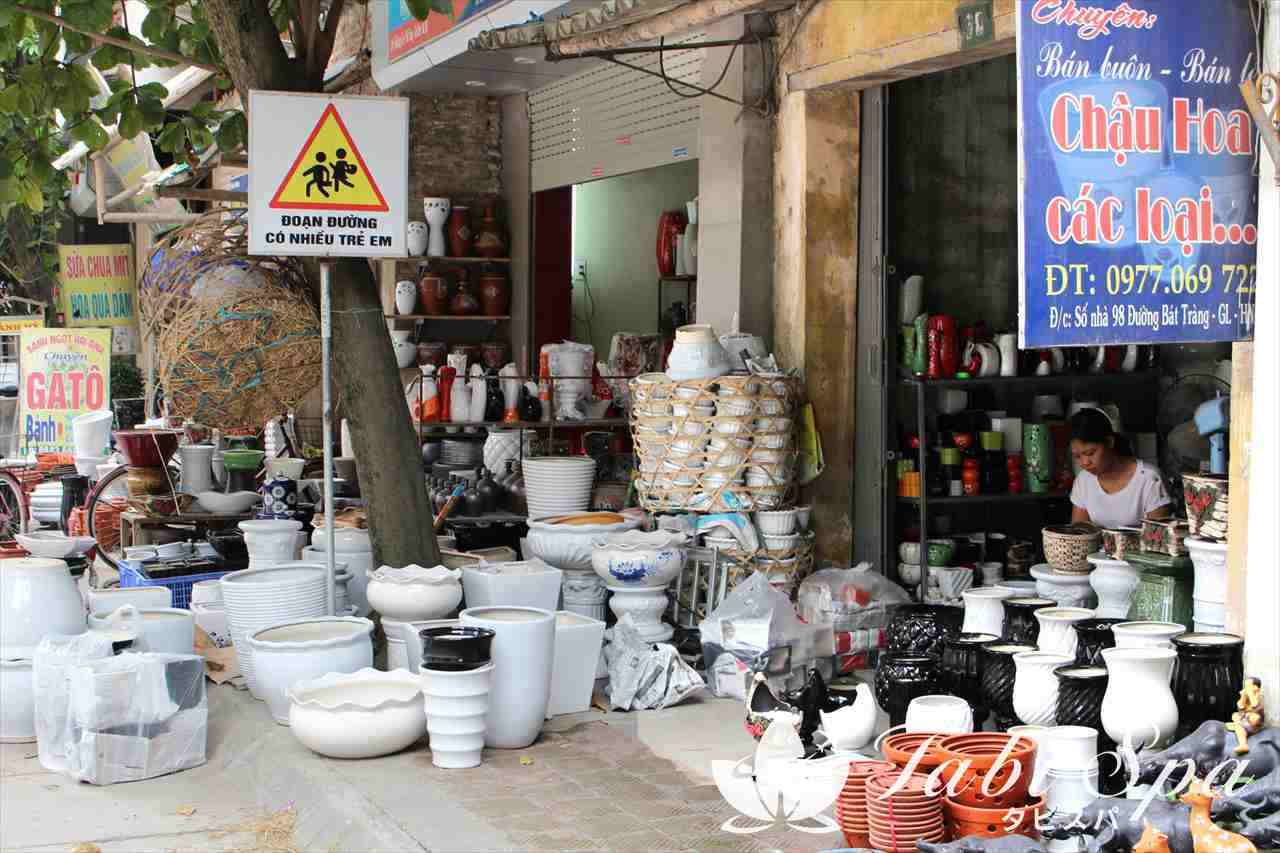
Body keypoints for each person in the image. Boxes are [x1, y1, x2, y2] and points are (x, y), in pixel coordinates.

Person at [1069, 407, 1172, 528]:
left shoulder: (1149, 479)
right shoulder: (1084, 480)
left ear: (1109, 442)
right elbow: (1079, 535)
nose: (1085, 462)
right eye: (1077, 456)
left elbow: (1157, 539)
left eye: (1091, 453)